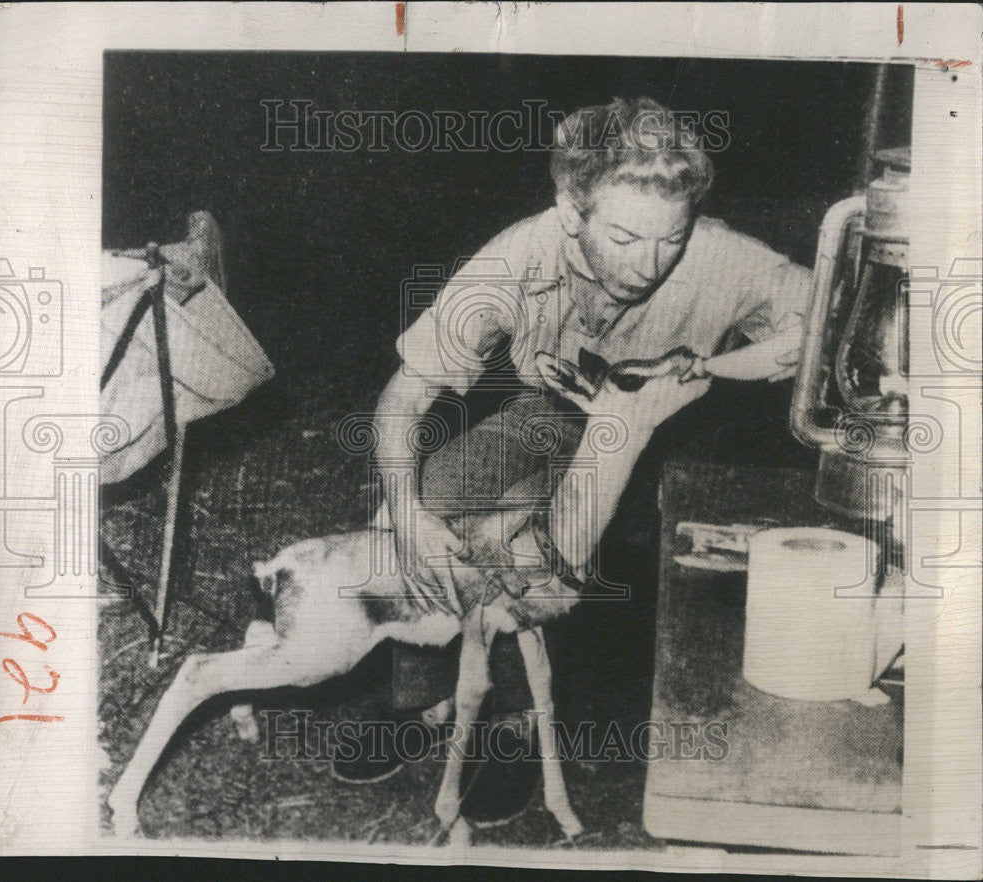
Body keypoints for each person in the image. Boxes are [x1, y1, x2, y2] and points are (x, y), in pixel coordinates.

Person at [331, 96, 813, 826]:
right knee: (436, 490)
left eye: (668, 240)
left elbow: (827, 324)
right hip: (552, 412)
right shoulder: (516, 257)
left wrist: (713, 368)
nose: (646, 266)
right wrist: (405, 511)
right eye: (621, 237)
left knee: (545, 564)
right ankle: (420, 702)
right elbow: (405, 396)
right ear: (570, 211)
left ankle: (518, 731)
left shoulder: (725, 257)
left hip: (663, 440)